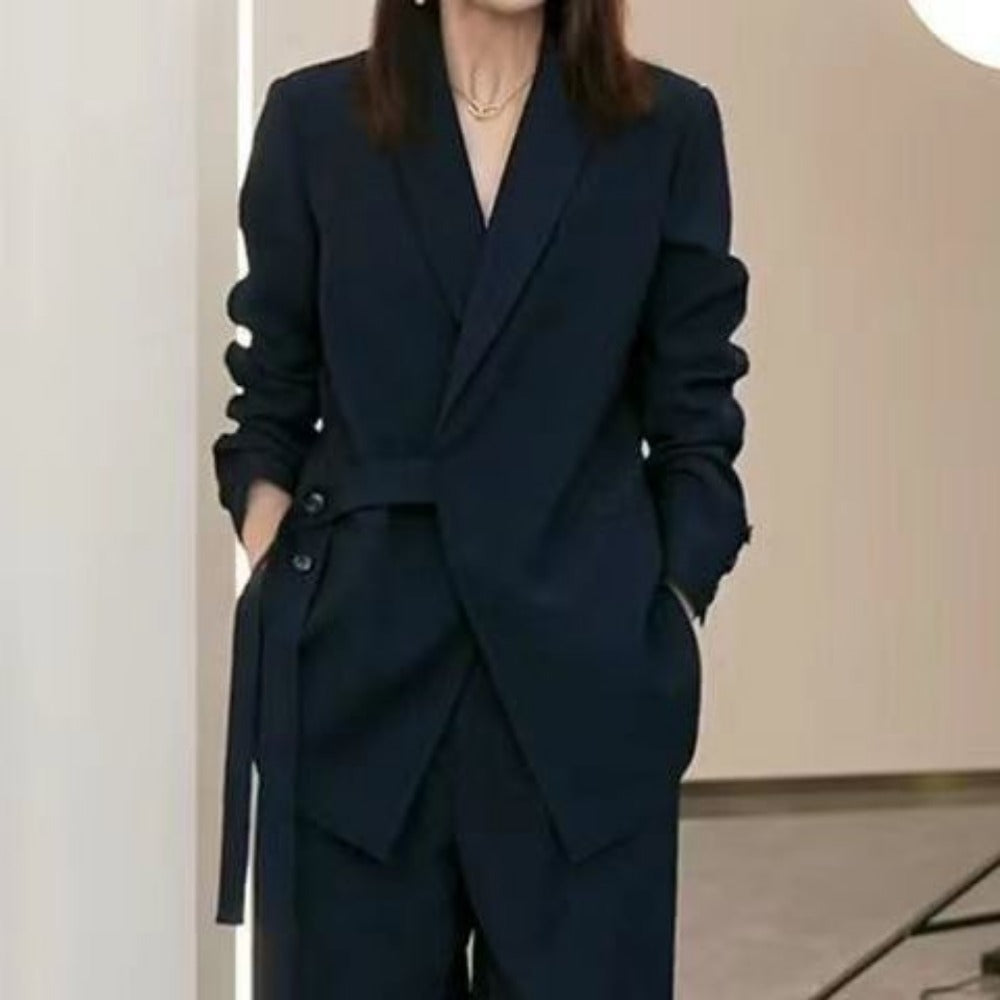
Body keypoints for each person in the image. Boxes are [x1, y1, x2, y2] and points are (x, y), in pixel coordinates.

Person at [211, 0, 752, 996]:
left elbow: (697, 408)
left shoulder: (664, 127)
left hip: (583, 682)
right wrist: (287, 575)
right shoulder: (314, 120)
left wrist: (669, 601)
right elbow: (271, 395)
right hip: (356, 676)